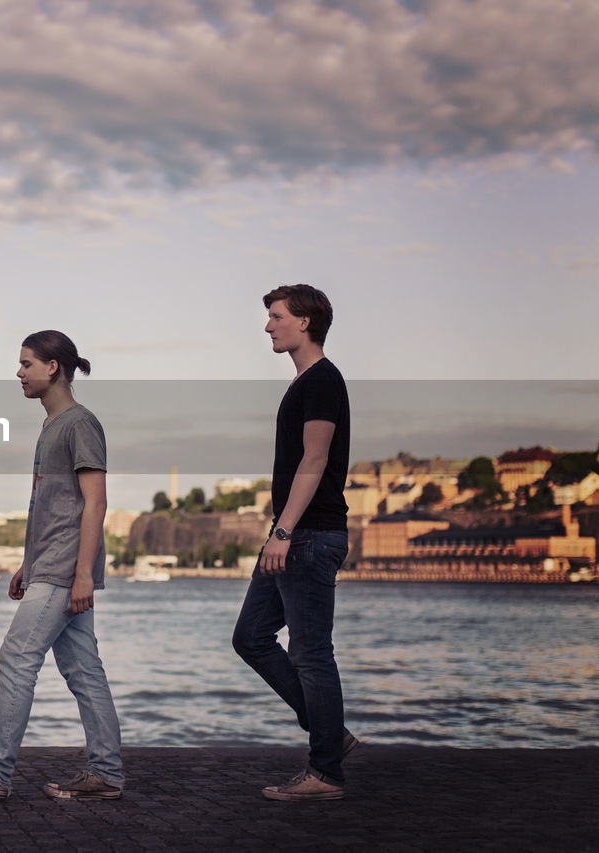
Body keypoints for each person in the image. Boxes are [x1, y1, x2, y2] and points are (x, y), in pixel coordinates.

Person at [0, 330, 123, 800]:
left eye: (26, 364)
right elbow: (52, 506)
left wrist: (80, 575)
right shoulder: (52, 425)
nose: (18, 373)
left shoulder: (80, 424)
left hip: (64, 570)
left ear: (52, 367)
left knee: (16, 659)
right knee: (83, 671)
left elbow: (94, 505)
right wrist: (27, 563)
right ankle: (107, 774)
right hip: (49, 566)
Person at [232, 284, 357, 802]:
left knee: (311, 653)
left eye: (275, 316)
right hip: (291, 533)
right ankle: (329, 732)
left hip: (307, 534)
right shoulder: (305, 383)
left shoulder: (322, 381)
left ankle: (325, 774)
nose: (268, 326)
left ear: (304, 322)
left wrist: (283, 532)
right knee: (251, 637)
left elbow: (315, 459)